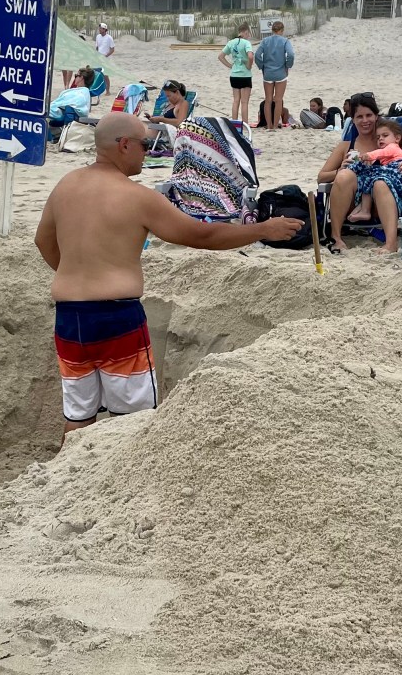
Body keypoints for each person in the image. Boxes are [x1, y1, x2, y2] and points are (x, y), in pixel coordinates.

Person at [34, 113, 304, 434]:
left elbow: (43, 241)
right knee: (133, 422)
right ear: (123, 145)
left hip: (69, 319)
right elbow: (201, 236)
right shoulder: (136, 197)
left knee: (78, 418)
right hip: (116, 319)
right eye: (146, 143)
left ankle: (65, 480)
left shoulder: (66, 186)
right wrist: (263, 230)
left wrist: (75, 272)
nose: (148, 150)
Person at [318, 93, 402, 254]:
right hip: (352, 207)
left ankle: (390, 244)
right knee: (344, 176)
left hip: (382, 204)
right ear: (352, 119)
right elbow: (321, 177)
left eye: (369, 115)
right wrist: (340, 170)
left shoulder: (386, 143)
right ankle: (336, 238)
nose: (365, 120)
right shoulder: (346, 146)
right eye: (359, 116)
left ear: (376, 117)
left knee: (380, 183)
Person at [342, 118, 402, 222]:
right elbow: (376, 158)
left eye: (385, 136)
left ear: (397, 138)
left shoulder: (393, 147)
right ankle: (363, 208)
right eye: (378, 137)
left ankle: (364, 209)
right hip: (392, 173)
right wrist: (359, 159)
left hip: (399, 170)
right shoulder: (386, 150)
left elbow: (380, 153)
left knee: (371, 176)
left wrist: (367, 155)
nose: (380, 139)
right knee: (369, 177)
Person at [254, 21, 294, 130]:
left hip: (268, 73)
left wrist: (261, 66)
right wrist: (288, 65)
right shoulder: (285, 41)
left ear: (272, 30)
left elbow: (257, 55)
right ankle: (276, 125)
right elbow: (290, 54)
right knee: (278, 100)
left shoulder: (265, 41)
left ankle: (269, 126)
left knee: (268, 100)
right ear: (282, 30)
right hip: (281, 72)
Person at [219, 23, 255, 125]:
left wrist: (231, 66)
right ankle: (245, 124)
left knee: (236, 101)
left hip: (234, 75)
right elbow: (250, 56)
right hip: (245, 75)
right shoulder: (246, 43)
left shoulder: (231, 42)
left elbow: (221, 56)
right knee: (244, 102)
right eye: (248, 34)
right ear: (246, 32)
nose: (248, 36)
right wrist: (249, 65)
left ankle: (234, 124)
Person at [95, 22, 115, 95]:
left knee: (106, 75)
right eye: (99, 28)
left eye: (101, 28)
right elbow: (97, 47)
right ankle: (98, 90)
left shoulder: (109, 38)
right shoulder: (98, 37)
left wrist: (105, 56)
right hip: (99, 58)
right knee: (98, 75)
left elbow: (112, 49)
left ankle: (108, 91)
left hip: (106, 59)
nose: (99, 30)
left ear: (104, 29)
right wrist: (96, 55)